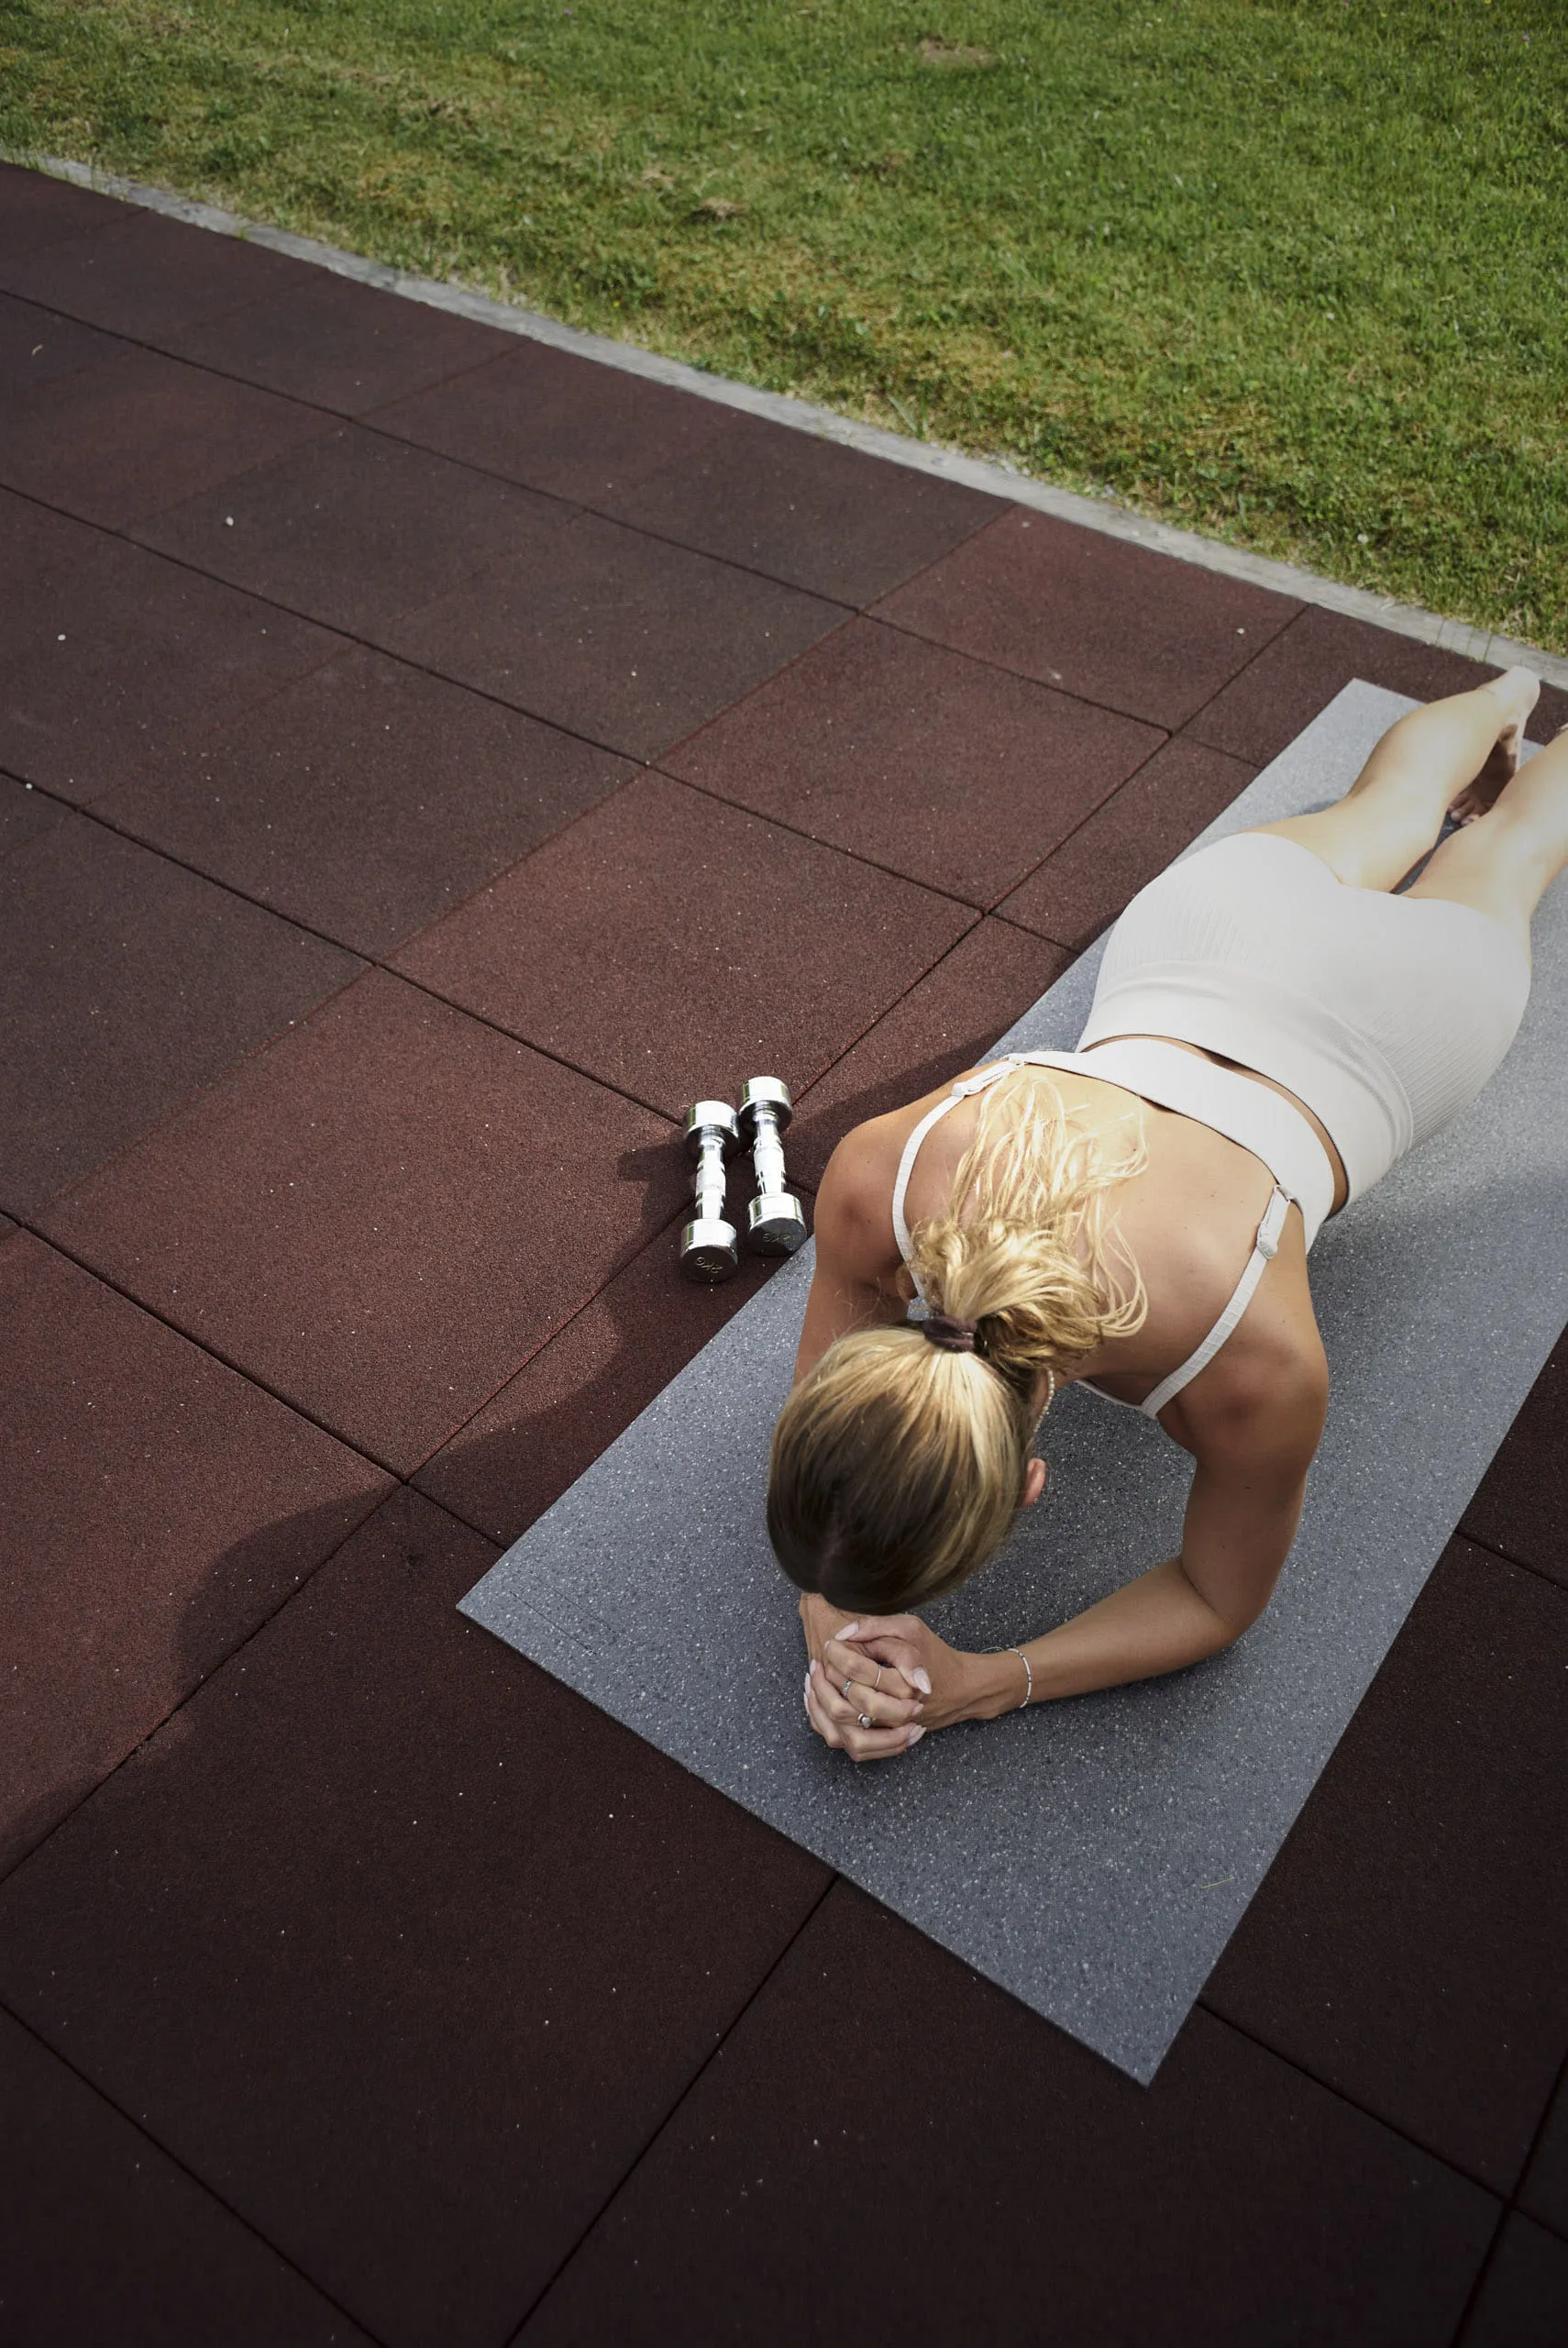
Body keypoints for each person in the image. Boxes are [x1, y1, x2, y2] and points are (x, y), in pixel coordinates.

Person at [769, 667, 1564, 1762]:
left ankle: (1513, 725)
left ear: (1035, 1486)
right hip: (1208, 934)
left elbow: (1217, 1598)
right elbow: (817, 1398)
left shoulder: (1256, 1368)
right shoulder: (875, 1182)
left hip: (1396, 1030)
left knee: (1512, 854)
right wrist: (827, 1605)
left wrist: (986, 1684)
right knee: (1386, 813)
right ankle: (1504, 697)